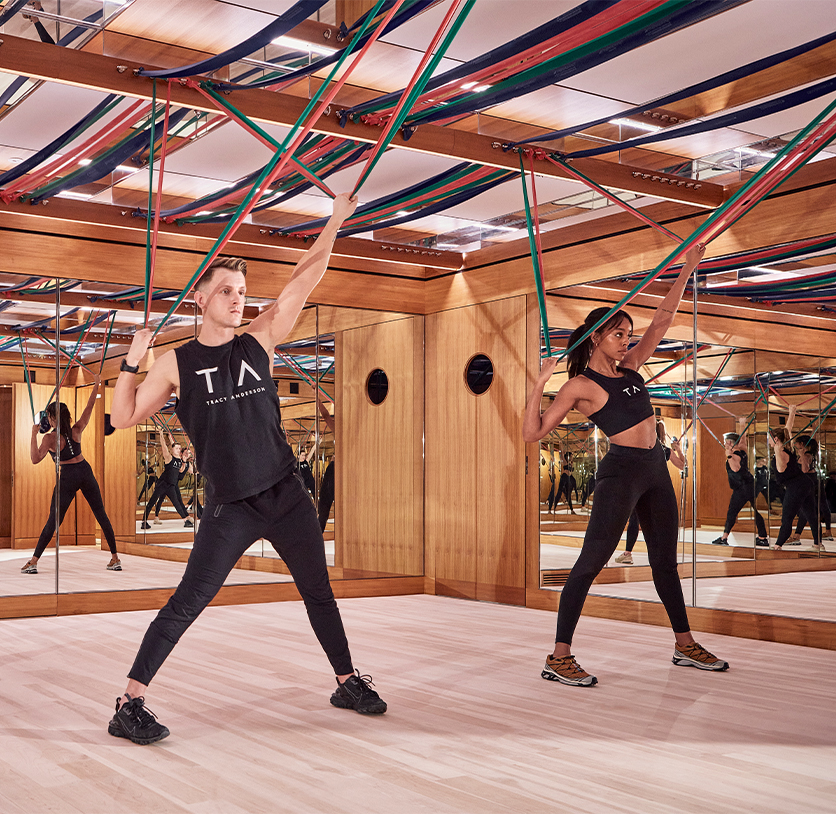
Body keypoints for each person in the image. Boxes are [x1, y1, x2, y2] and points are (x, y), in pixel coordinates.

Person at [108, 192, 385, 746]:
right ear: (203, 299)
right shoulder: (177, 363)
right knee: (188, 600)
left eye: (242, 293)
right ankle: (129, 703)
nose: (238, 300)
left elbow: (304, 280)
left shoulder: (259, 342)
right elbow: (123, 417)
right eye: (227, 292)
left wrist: (334, 221)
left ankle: (346, 680)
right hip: (229, 505)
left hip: (286, 494)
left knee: (318, 592)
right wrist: (131, 361)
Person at [524, 243, 729, 686]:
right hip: (620, 472)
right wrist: (539, 382)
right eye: (619, 335)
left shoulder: (632, 369)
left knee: (665, 564)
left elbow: (662, 321)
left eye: (628, 336)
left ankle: (683, 644)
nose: (628, 342)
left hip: (656, 470)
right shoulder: (580, 385)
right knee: (590, 561)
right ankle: (558, 656)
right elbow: (532, 433)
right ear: (596, 337)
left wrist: (687, 269)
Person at [21, 376, 121, 574]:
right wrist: (96, 385)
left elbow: (35, 459)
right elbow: (89, 407)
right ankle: (115, 558)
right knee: (101, 514)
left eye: (48, 417)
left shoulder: (50, 439)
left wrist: (33, 434)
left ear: (51, 418)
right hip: (84, 470)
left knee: (54, 520)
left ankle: (33, 562)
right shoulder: (76, 430)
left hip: (68, 475)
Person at [614, 422, 685, 564]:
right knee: (657, 522)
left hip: (641, 486)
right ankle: (660, 555)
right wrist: (678, 449)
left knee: (635, 519)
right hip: (658, 487)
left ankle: (628, 553)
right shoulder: (665, 450)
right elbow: (683, 465)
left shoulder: (642, 447)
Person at [768, 406, 821, 551]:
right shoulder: (787, 447)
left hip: (797, 486)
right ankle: (818, 544)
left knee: (787, 517)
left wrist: (777, 450)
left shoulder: (781, 452)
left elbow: (780, 467)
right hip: (804, 483)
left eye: (770, 438)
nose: (768, 441)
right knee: (810, 514)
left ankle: (778, 545)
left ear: (776, 439)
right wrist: (792, 412)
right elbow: (787, 430)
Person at [710, 419, 768, 547]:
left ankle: (724, 538)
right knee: (756, 511)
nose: (724, 444)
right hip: (750, 485)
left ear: (730, 442)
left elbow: (735, 468)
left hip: (742, 488)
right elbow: (743, 439)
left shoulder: (734, 455)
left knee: (732, 511)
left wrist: (728, 455)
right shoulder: (742, 449)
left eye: (726, 442)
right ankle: (763, 537)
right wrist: (742, 424)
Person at [140, 431, 192, 529]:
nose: (178, 449)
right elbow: (164, 447)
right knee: (152, 501)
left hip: (171, 485)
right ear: (172, 450)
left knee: (176, 502)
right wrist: (161, 435)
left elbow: (180, 472)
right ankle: (144, 521)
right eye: (176, 448)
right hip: (162, 484)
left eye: (179, 448)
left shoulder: (180, 461)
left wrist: (184, 461)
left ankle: (185, 520)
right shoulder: (169, 458)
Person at [316, 393, 336, 532]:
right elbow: (326, 416)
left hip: (335, 470)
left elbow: (326, 416)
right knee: (324, 505)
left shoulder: (340, 431)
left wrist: (316, 397)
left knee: (324, 504)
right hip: (343, 470)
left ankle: (317, 533)